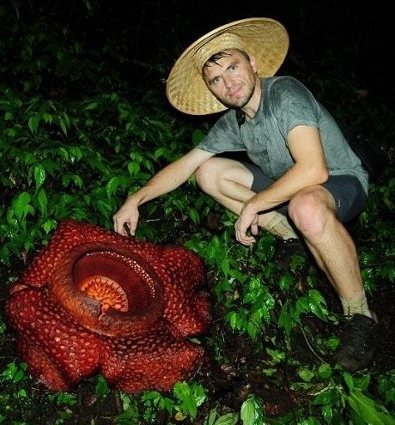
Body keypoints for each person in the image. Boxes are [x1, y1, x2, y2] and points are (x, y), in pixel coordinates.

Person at [113, 17, 377, 372]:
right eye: (216, 80)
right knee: (208, 171)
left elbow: (314, 170)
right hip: (290, 186)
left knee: (307, 206)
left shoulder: (285, 93)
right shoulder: (234, 121)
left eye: (233, 67)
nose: (228, 83)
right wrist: (136, 199)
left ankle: (361, 317)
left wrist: (254, 204)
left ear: (252, 63)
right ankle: (290, 237)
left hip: (340, 180)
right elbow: (186, 165)